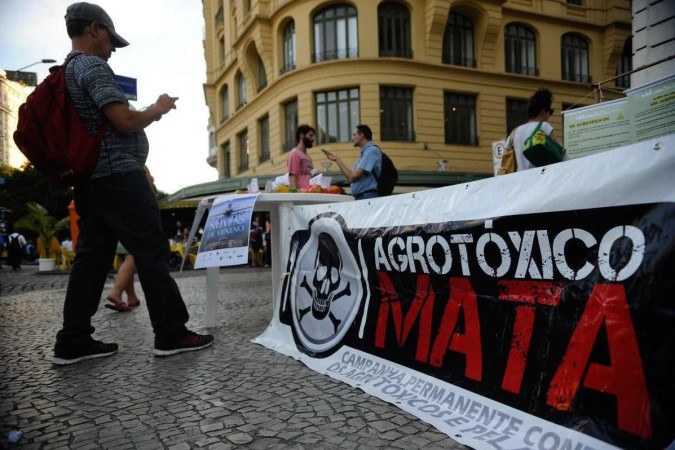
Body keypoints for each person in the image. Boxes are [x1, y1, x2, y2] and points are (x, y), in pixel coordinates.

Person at [52, 2, 213, 366]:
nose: (112, 48)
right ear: (94, 29)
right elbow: (123, 120)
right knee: (151, 249)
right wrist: (157, 108)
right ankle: (171, 333)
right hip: (118, 176)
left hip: (91, 180)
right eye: (110, 39)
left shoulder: (65, 71)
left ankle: (72, 340)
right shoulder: (91, 65)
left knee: (91, 260)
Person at [325, 124, 382, 200]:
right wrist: (337, 159)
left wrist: (338, 160)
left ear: (361, 135)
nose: (352, 138)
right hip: (362, 197)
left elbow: (352, 177)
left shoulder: (371, 151)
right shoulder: (365, 153)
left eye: (354, 135)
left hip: (367, 197)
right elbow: (351, 176)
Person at [511, 88, 562, 172]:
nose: (550, 115)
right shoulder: (544, 126)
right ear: (543, 111)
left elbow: (507, 152)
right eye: (550, 111)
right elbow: (561, 152)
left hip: (521, 179)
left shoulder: (516, 131)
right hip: (540, 177)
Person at [287, 124, 316, 190]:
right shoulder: (294, 153)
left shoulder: (309, 158)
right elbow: (292, 175)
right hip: (301, 196)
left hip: (310, 193)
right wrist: (296, 195)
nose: (313, 139)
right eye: (310, 135)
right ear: (302, 135)